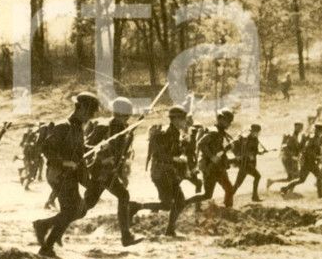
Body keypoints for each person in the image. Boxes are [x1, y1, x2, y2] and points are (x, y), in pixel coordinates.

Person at [33, 92, 100, 258]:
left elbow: (76, 150)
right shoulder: (63, 126)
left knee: (76, 211)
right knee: (71, 211)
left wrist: (94, 149)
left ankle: (44, 232)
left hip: (69, 175)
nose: (91, 116)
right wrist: (64, 163)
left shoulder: (78, 128)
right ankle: (45, 240)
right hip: (59, 174)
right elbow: (46, 148)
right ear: (81, 108)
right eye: (90, 112)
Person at [82, 97, 144, 246]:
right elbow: (87, 146)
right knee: (123, 195)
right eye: (126, 114)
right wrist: (103, 155)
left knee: (85, 206)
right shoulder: (105, 127)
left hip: (109, 173)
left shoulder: (122, 127)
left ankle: (47, 224)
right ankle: (126, 236)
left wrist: (142, 117)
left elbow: (128, 132)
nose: (127, 117)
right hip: (101, 172)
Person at [139, 106, 192, 238]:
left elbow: (174, 151)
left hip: (168, 172)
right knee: (168, 204)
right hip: (161, 172)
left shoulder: (175, 133)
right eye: (181, 119)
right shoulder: (165, 133)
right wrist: (175, 158)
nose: (184, 121)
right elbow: (158, 154)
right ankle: (135, 207)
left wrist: (184, 146)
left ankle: (170, 230)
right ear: (174, 120)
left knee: (178, 202)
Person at [196, 109, 237, 208]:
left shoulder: (221, 133)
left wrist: (229, 147)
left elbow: (218, 148)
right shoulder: (214, 131)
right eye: (228, 121)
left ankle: (228, 209)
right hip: (210, 167)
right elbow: (201, 143)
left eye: (230, 122)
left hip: (219, 167)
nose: (229, 124)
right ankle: (188, 204)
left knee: (229, 189)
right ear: (221, 119)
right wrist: (211, 156)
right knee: (207, 195)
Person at [281, 123, 322, 198]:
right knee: (314, 177)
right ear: (318, 131)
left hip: (310, 162)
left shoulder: (316, 138)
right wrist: (317, 157)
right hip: (308, 162)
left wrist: (319, 156)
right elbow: (307, 150)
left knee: (302, 179)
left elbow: (316, 150)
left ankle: (285, 188)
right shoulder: (312, 138)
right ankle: (320, 195)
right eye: (320, 131)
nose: (321, 133)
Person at [232, 124, 266, 202]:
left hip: (250, 164)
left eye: (257, 132)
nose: (256, 133)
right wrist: (249, 155)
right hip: (245, 164)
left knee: (238, 183)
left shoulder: (255, 139)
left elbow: (255, 151)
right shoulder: (245, 139)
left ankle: (228, 197)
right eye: (255, 132)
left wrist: (260, 152)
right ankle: (254, 197)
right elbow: (242, 151)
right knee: (257, 176)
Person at [269, 122, 304, 189]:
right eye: (299, 127)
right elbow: (285, 146)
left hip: (290, 158)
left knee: (292, 177)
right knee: (294, 177)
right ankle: (288, 190)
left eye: (301, 128)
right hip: (288, 158)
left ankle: (272, 181)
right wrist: (291, 156)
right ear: (295, 127)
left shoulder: (297, 136)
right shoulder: (291, 136)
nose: (300, 129)